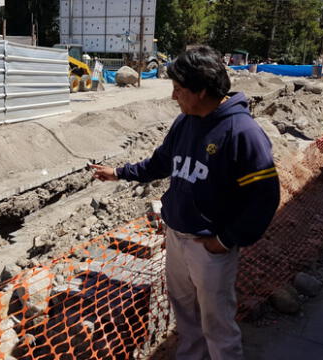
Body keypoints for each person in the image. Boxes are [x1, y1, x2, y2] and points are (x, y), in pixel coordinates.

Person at [90, 45, 280, 360]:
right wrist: (119, 173)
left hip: (209, 247)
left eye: (179, 89)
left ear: (202, 90)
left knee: (217, 323)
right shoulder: (186, 121)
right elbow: (161, 162)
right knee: (186, 315)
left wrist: (225, 240)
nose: (173, 96)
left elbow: (265, 198)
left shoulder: (241, 132)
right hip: (177, 237)